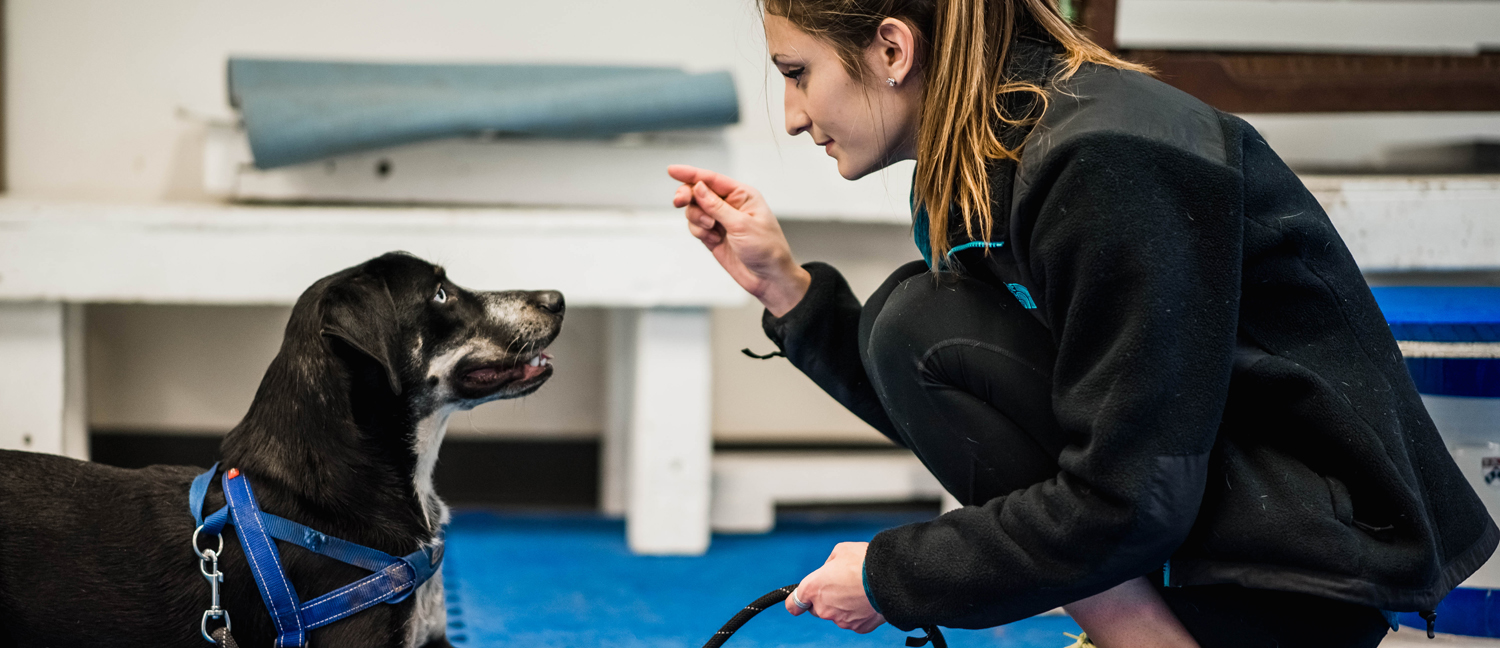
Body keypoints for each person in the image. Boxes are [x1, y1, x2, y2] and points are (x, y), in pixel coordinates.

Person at [668, 0, 1498, 646]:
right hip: (1218, 517)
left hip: (1310, 562)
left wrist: (896, 575)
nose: (790, 114)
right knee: (908, 320)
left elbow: (1134, 495)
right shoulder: (979, 158)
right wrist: (787, 291)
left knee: (916, 318)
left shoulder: (1108, 156)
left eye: (797, 72)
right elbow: (958, 408)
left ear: (892, 49)